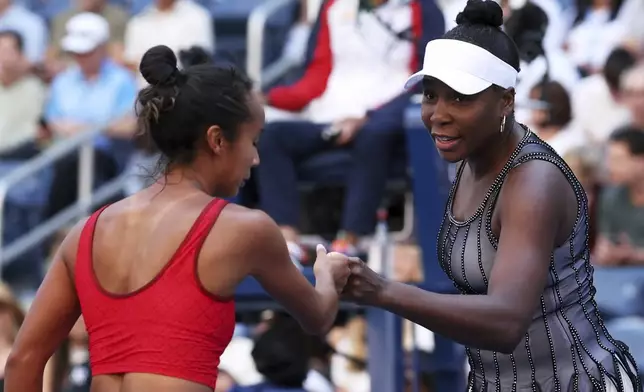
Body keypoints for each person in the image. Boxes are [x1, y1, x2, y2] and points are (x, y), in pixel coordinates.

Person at [4, 45, 352, 392]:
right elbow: (318, 316)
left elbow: (23, 360)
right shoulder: (247, 228)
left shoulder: (84, 232)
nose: (257, 159)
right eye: (253, 141)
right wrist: (327, 274)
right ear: (217, 139)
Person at [342, 1, 642, 391]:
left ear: (506, 100)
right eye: (431, 95)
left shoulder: (534, 183)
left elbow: (506, 322)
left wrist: (383, 290)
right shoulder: (468, 161)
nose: (439, 114)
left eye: (461, 98)